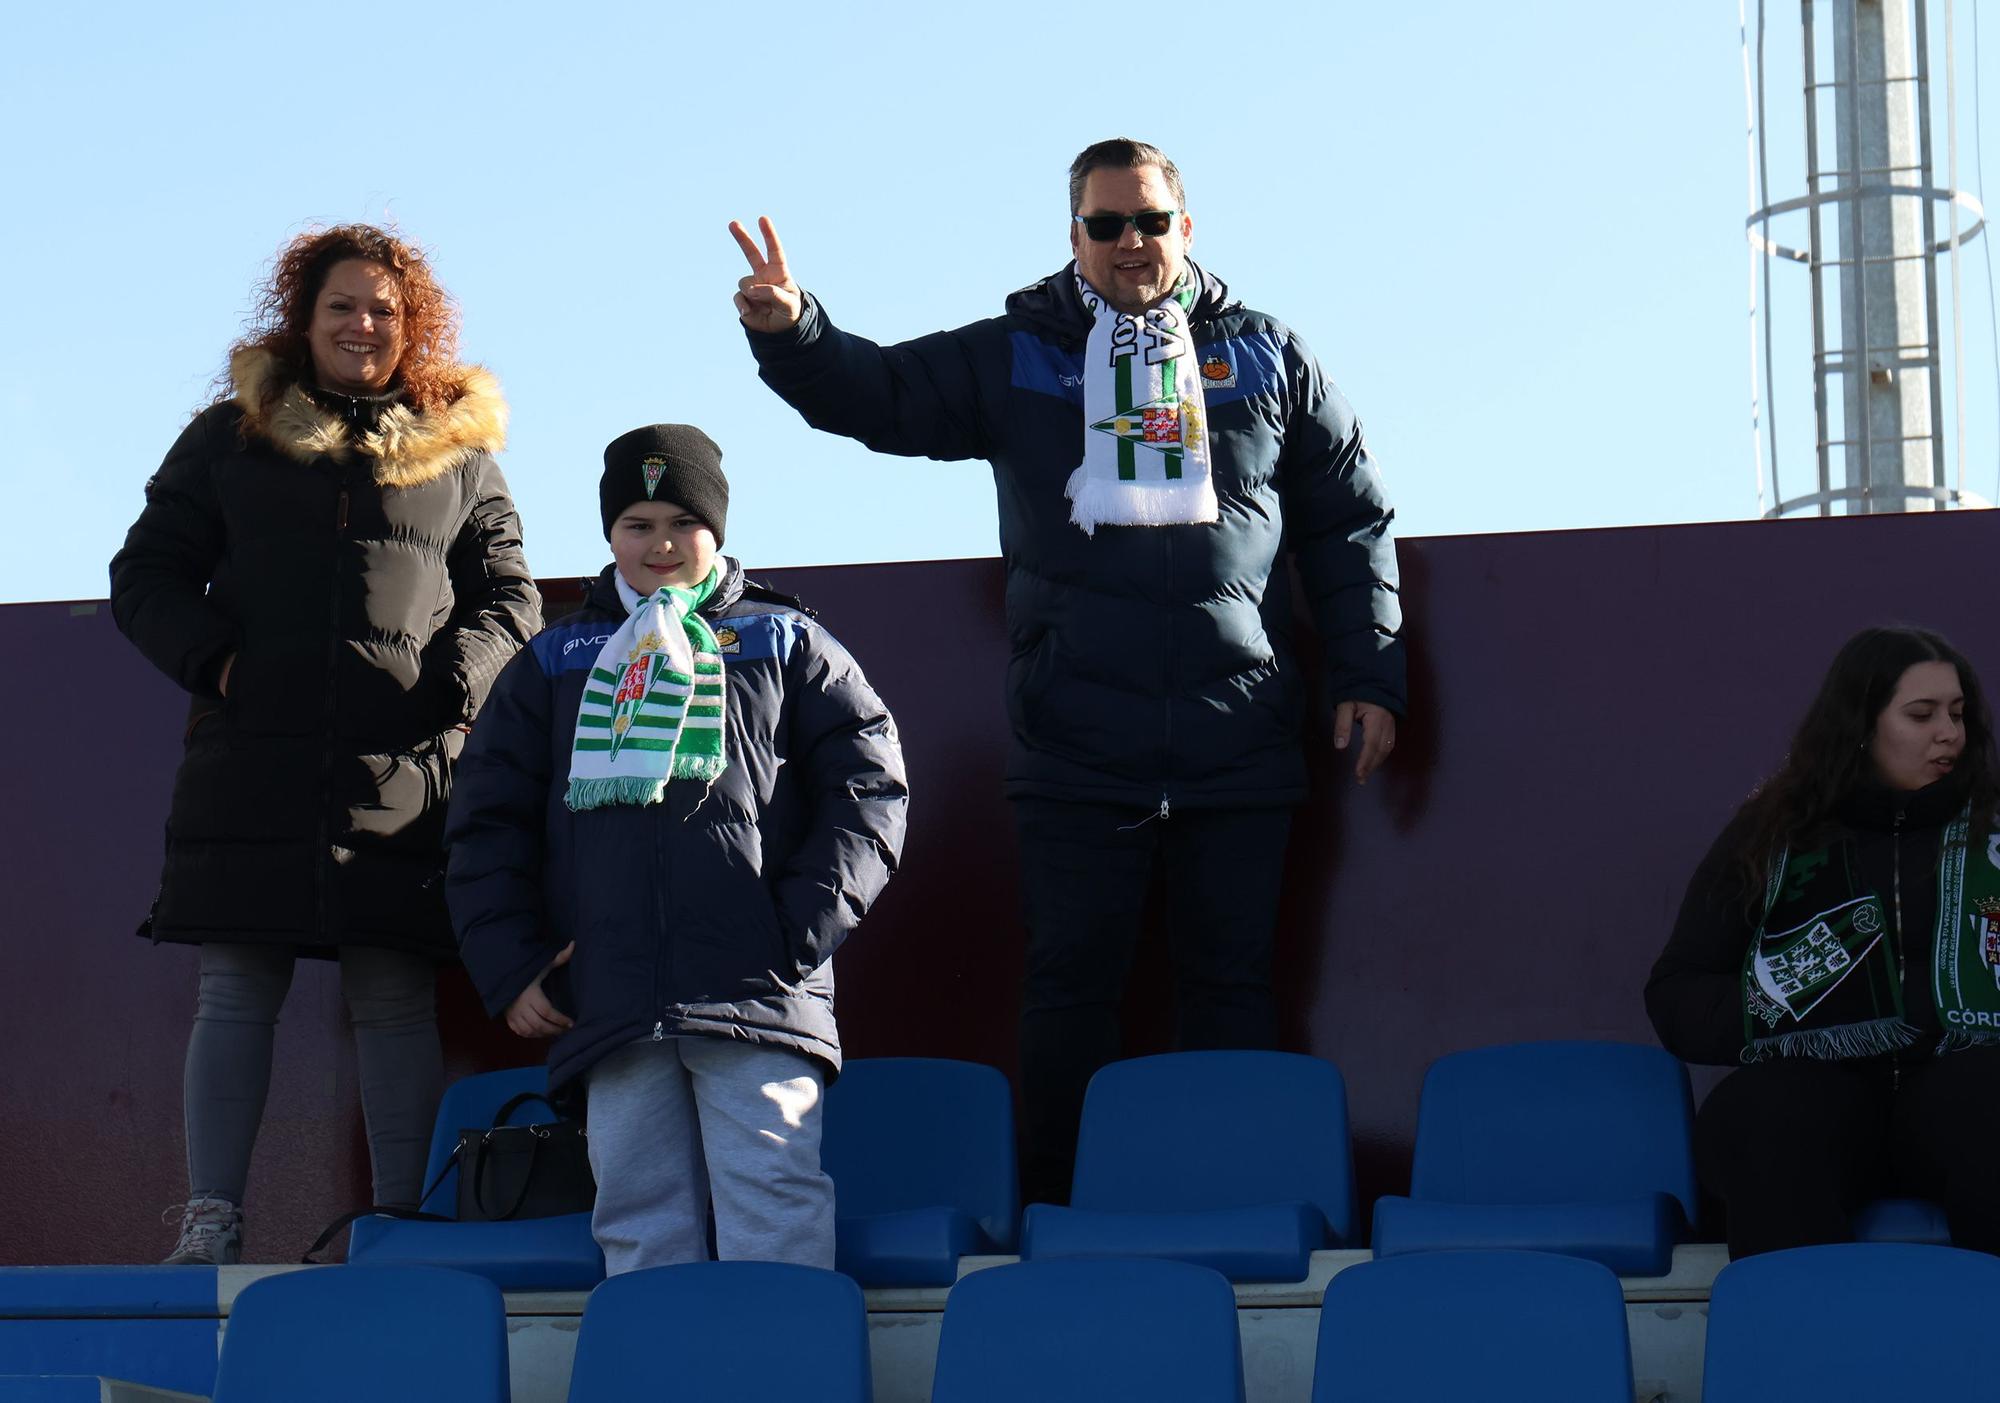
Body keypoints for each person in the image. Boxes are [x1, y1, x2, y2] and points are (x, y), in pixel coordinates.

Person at [729, 137, 1406, 1203]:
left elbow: (1347, 521)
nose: (1129, 242)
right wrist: (792, 331)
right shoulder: (1019, 351)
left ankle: (1241, 1206)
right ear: (1074, 237)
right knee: (1068, 995)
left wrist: (1368, 673)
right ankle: (1060, 1221)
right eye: (1105, 224)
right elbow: (881, 393)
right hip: (1074, 746)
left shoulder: (1267, 354)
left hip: (1240, 739)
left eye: (1148, 221)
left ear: (1187, 228)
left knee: (1231, 993)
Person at [109, 224, 541, 1264]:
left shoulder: (460, 452)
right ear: (303, 319)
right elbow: (147, 574)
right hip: (250, 761)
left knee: (393, 998)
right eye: (342, 306)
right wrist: (221, 667)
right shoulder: (229, 436)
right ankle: (210, 1219)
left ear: (412, 326)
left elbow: (510, 597)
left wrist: (452, 684)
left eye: (385, 312)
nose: (363, 326)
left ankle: (397, 1230)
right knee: (235, 987)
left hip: (402, 772)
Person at [446, 424, 907, 1274]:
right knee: (637, 1219)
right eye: (636, 523)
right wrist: (513, 966)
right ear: (608, 534)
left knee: (772, 1202)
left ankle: (785, 1373)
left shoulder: (788, 641)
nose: (660, 544)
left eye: (681, 522)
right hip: (612, 1001)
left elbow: (870, 791)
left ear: (717, 529)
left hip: (759, 991)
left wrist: (795, 931)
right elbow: (484, 823)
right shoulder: (554, 659)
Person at [1647, 626, 2000, 1257]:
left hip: (1961, 1094)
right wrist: (1794, 1008)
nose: (1950, 732)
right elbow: (1679, 990)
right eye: (1921, 714)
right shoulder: (1773, 832)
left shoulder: (1995, 828)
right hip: (1821, 1095)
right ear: (1860, 726)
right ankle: (1803, 1345)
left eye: (1957, 712)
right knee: (1767, 1116)